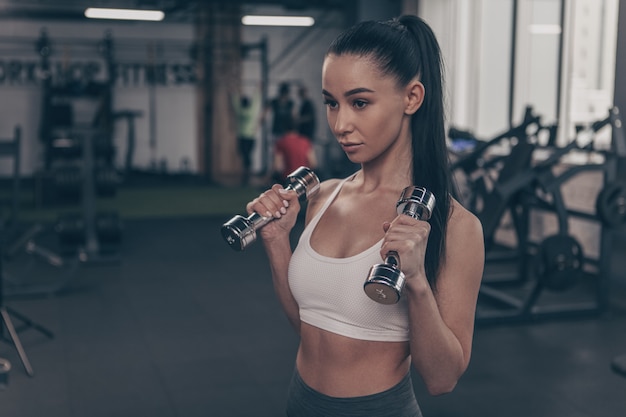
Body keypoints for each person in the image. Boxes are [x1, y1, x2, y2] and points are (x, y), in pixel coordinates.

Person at [245, 15, 484, 416]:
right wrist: (276, 244)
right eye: (331, 103)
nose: (341, 124)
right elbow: (309, 329)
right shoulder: (322, 198)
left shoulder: (455, 225)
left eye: (360, 102)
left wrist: (417, 282)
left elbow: (442, 379)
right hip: (300, 402)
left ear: (411, 98)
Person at [272, 117, 317, 183]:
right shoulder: (305, 141)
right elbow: (313, 164)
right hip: (303, 180)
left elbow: (277, 166)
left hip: (288, 180)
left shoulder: (281, 142)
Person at [232, 87, 262, 186]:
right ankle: (247, 173)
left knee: (245, 155)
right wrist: (257, 90)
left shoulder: (239, 111)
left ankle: (246, 173)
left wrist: (234, 92)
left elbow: (235, 103)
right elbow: (255, 102)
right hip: (251, 137)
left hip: (242, 137)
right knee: (248, 156)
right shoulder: (251, 111)